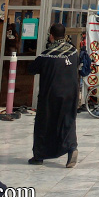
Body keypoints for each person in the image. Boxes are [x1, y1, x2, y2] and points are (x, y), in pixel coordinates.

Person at [28, 23, 80, 167]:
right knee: (68, 122)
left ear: (51, 36)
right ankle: (71, 148)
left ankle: (39, 156)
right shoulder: (73, 51)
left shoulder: (47, 55)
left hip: (50, 95)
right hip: (71, 94)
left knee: (43, 124)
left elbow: (31, 69)